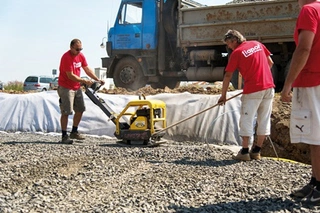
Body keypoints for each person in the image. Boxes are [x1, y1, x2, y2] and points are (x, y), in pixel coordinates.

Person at [281, 0, 320, 205]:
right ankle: (315, 181)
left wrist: (288, 84)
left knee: (316, 136)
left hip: (312, 79)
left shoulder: (309, 10)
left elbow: (304, 49)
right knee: (316, 136)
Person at [218, 29, 275, 161]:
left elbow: (227, 75)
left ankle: (244, 152)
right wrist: (261, 77)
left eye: (229, 44)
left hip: (253, 90)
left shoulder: (237, 53)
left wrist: (223, 95)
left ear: (234, 40)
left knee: (246, 118)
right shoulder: (257, 44)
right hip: (269, 87)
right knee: (264, 119)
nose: (229, 47)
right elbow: (270, 63)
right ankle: (256, 151)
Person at [58, 38, 105, 144]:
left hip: (76, 86)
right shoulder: (66, 57)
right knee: (66, 111)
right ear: (71, 47)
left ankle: (74, 131)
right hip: (66, 87)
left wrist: (97, 79)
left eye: (80, 49)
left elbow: (87, 69)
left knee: (80, 109)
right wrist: (84, 80)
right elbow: (70, 75)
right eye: (77, 49)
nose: (79, 51)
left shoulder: (80, 56)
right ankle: (64, 135)